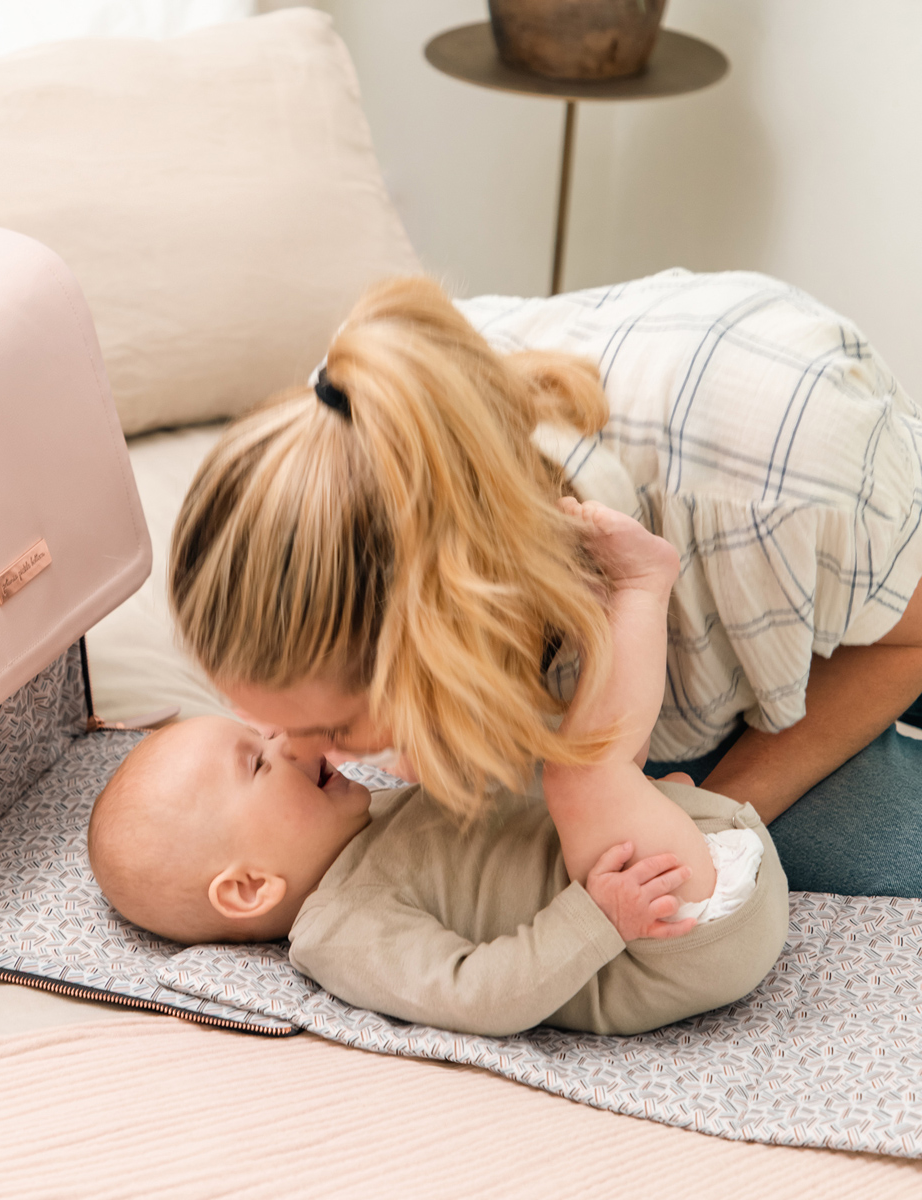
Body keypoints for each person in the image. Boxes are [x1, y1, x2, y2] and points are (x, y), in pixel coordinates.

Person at [169, 274, 922, 896]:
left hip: (876, 606)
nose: (309, 755)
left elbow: (908, 638)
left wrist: (714, 811)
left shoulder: (787, 475)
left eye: (333, 731)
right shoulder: (343, 428)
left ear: (442, 638)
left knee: (870, 857)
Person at [88, 501, 787, 1036]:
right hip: (667, 935)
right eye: (257, 761)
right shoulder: (339, 931)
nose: (285, 742)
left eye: (263, 732)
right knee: (581, 777)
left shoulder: (376, 817)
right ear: (247, 887)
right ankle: (639, 585)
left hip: (688, 851)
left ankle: (625, 771)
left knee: (569, 766)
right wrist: (597, 918)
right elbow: (478, 994)